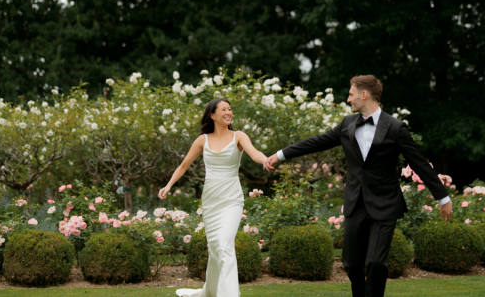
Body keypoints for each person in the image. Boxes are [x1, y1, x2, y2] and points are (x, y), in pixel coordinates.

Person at [264, 75, 452, 297]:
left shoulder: (395, 128)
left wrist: (443, 198)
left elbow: (419, 164)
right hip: (355, 203)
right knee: (352, 264)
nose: (348, 99)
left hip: (385, 204)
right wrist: (280, 155)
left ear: (364, 94)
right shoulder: (347, 124)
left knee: (376, 263)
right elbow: (317, 141)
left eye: (351, 94)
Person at [159, 98, 269, 297]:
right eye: (223, 109)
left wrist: (266, 160)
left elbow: (254, 153)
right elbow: (184, 165)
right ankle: (209, 292)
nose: (229, 112)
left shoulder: (239, 136)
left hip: (231, 200)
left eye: (230, 109)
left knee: (225, 245)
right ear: (212, 115)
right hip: (211, 202)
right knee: (215, 248)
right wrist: (168, 185)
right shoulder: (203, 140)